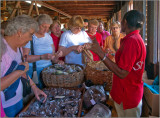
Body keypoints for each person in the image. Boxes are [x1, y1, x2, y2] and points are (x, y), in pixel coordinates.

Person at [88, 10, 146, 117]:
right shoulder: (135, 39)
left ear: (124, 22)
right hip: (127, 91)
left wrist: (101, 53)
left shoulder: (132, 41)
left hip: (128, 94)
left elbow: (122, 73)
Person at [1, 15, 47, 117]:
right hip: (4, 108)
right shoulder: (2, 50)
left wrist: (34, 88)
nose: (31, 39)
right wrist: (18, 72)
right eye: (30, 35)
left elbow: (23, 71)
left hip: (17, 100)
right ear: (20, 32)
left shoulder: (19, 48)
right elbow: (20, 71)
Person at [23, 14, 63, 89]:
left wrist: (57, 58)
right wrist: (41, 57)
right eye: (44, 26)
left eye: (48, 27)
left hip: (48, 71)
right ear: (37, 25)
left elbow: (53, 56)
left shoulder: (48, 37)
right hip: (34, 71)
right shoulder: (30, 37)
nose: (46, 30)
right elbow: (24, 58)